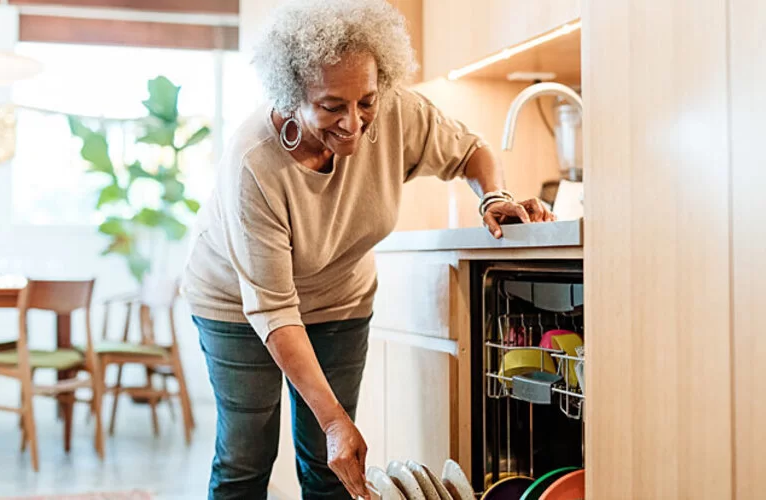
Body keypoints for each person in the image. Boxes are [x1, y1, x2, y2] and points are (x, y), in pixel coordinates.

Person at [181, 0, 554, 498]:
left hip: (339, 300)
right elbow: (272, 308)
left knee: (328, 461)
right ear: (292, 96)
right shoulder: (254, 163)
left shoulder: (396, 111)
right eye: (332, 106)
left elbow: (471, 151)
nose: (354, 123)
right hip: (237, 305)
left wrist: (494, 196)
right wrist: (335, 422)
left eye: (366, 102)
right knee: (247, 456)